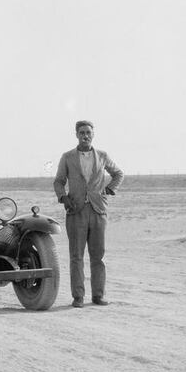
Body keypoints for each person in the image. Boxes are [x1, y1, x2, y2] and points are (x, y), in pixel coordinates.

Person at [53, 121, 124, 308]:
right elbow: (58, 182)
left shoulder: (102, 156)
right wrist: (64, 198)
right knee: (76, 256)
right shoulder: (67, 157)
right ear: (76, 134)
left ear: (93, 135)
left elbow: (118, 174)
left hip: (98, 211)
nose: (85, 135)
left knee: (98, 256)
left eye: (88, 132)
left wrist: (109, 190)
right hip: (76, 211)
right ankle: (78, 297)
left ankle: (98, 296)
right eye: (82, 132)